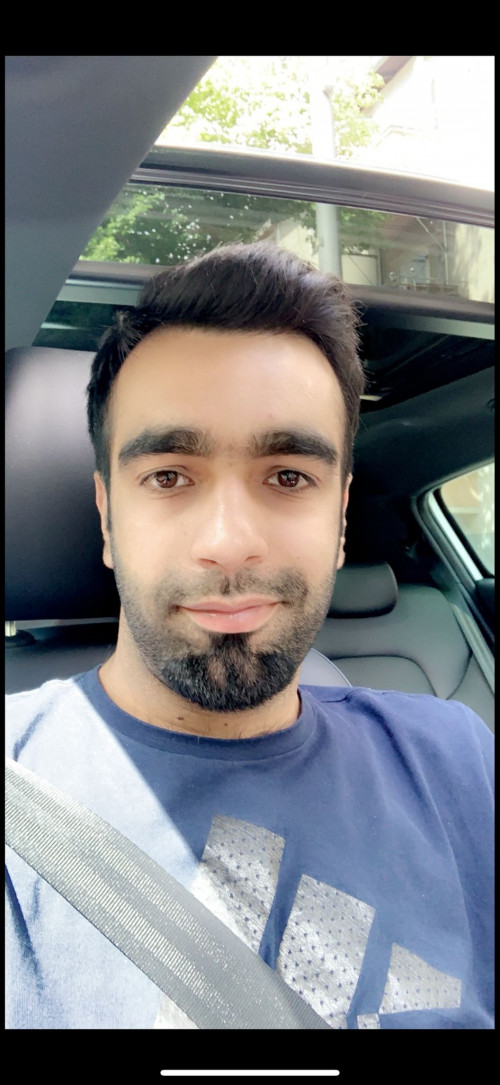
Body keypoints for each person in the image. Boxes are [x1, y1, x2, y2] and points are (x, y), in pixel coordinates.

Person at [6, 243, 493, 1030]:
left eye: (289, 476)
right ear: (107, 516)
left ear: (340, 518)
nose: (230, 543)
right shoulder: (17, 791)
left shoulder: (456, 760)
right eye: (169, 475)